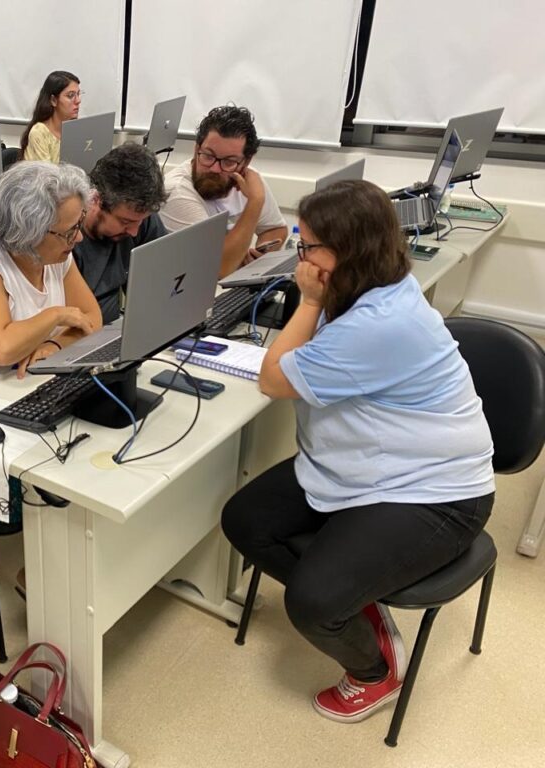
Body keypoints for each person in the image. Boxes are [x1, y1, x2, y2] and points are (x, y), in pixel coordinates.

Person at [221, 180, 495, 724]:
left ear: (348, 253)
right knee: (247, 522)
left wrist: (310, 299)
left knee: (312, 602)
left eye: (309, 246)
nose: (301, 256)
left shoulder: (379, 321)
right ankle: (358, 598)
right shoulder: (375, 287)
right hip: (363, 463)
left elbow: (274, 380)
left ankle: (374, 672)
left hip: (437, 494)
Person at [0, 160, 100, 531]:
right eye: (68, 231)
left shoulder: (57, 257)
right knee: (48, 459)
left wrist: (52, 347)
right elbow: (0, 349)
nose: (78, 238)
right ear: (29, 231)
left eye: (79, 224)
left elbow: (91, 320)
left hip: (28, 375)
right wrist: (56, 316)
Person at [160, 105, 287, 277]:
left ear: (246, 162)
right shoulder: (176, 191)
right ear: (196, 149)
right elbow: (218, 268)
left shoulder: (248, 180)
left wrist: (259, 257)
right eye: (208, 156)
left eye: (228, 162)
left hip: (233, 292)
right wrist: (255, 202)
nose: (214, 168)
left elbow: (276, 229)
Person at [73, 142, 168, 324]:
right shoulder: (67, 238)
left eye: (140, 221)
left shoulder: (139, 218)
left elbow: (162, 283)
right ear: (96, 201)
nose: (134, 232)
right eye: (125, 222)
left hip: (117, 331)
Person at [19, 71, 81, 163]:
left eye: (78, 94)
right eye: (71, 95)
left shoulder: (76, 129)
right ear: (53, 100)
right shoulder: (39, 132)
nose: (78, 100)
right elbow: (46, 175)